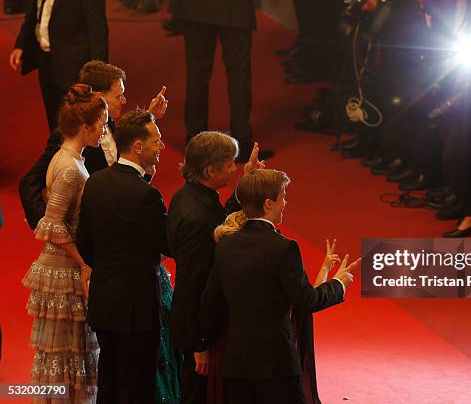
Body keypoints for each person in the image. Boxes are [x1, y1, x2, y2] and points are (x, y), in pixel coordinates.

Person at [199, 169, 359, 403]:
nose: (285, 203)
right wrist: (339, 284)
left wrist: (204, 345)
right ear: (268, 203)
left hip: (237, 363)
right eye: (283, 197)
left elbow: (210, 303)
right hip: (276, 364)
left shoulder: (225, 245)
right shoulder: (284, 248)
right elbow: (307, 301)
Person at [22, 83, 108, 402]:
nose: (104, 130)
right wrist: (84, 261)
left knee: (68, 363)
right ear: (85, 127)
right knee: (67, 363)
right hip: (66, 271)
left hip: (66, 269)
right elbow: (52, 225)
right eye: (102, 124)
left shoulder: (70, 160)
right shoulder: (70, 169)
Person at [77, 109, 169, 403]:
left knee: (110, 382)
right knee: (137, 388)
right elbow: (167, 246)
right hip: (138, 312)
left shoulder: (96, 182)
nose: (162, 147)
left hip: (104, 304)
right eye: (157, 140)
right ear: (138, 147)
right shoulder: (146, 195)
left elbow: (85, 244)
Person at [166, 131, 263, 403]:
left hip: (196, 324)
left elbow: (220, 218)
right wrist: (199, 345)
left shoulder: (189, 196)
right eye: (230, 163)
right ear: (210, 169)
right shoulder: (198, 218)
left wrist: (245, 180)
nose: (234, 168)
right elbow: (191, 284)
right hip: (197, 330)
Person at [18, 60, 168, 230]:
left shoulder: (110, 123)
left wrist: (151, 116)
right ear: (99, 97)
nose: (124, 101)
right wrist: (44, 224)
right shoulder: (68, 135)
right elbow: (29, 182)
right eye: (119, 96)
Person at [169, 0, 273, 162]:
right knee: (238, 73)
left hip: (194, 5)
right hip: (234, 5)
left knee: (197, 72)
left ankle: (195, 141)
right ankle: (242, 142)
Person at [9, 0, 108, 132]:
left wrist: (98, 78)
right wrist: (21, 45)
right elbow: (35, 13)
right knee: (54, 120)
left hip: (75, 68)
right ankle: (57, 151)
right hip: (46, 61)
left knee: (76, 126)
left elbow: (98, 32)